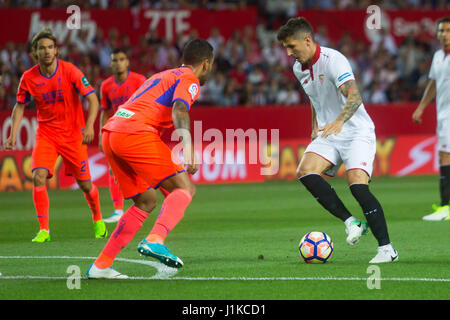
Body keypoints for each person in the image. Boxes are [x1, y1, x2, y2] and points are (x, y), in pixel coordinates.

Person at [86, 38, 214, 279]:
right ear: (206, 64)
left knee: (145, 201)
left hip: (112, 133)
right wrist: (187, 146)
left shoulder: (160, 75)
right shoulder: (190, 79)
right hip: (135, 133)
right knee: (185, 189)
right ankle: (155, 238)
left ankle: (101, 265)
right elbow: (180, 109)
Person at [277, 18, 398, 263]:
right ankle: (352, 222)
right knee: (305, 172)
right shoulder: (298, 68)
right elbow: (314, 96)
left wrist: (340, 121)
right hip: (328, 132)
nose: (288, 53)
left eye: (292, 46)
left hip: (355, 131)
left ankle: (387, 249)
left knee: (357, 185)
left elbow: (354, 96)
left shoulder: (334, 61)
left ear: (307, 40)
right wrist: (314, 125)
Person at [3, 28, 107, 242]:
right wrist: (13, 134)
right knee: (38, 176)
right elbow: (20, 106)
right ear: (35, 53)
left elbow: (93, 99)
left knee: (86, 185)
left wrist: (89, 127)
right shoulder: (28, 78)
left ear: (56, 50)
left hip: (72, 136)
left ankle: (98, 220)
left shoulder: (71, 71)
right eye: (42, 48)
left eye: (50, 47)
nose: (47, 51)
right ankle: (44, 230)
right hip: (46, 135)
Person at [99, 48, 147, 223]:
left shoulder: (139, 80)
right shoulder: (105, 86)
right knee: (114, 168)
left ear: (127, 62)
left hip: (136, 130)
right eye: (114, 60)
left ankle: (159, 199)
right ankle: (118, 210)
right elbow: (104, 112)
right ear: (110, 63)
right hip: (116, 132)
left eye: (121, 59)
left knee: (142, 168)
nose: (118, 63)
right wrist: (100, 134)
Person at [412, 17, 450, 221]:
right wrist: (421, 107)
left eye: (448, 31)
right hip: (443, 114)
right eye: (441, 31)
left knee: (445, 157)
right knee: (445, 156)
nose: (444, 35)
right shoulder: (438, 56)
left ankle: (445, 207)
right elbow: (433, 84)